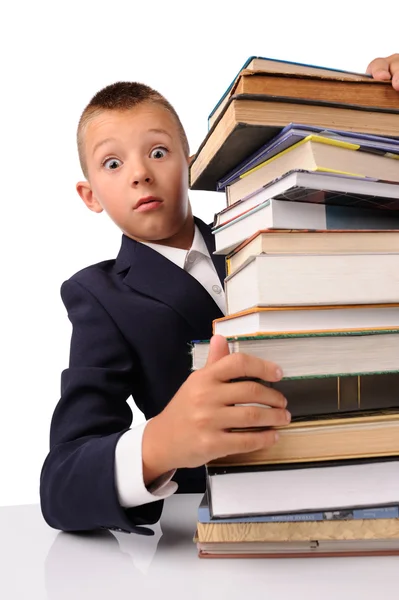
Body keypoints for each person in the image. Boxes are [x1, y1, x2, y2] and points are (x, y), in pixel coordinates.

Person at [40, 54, 399, 535]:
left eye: (159, 152)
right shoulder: (99, 295)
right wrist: (160, 443)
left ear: (190, 163)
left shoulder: (268, 230)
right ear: (90, 195)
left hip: (371, 476)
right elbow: (60, 484)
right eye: (112, 162)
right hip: (226, 523)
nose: (140, 174)